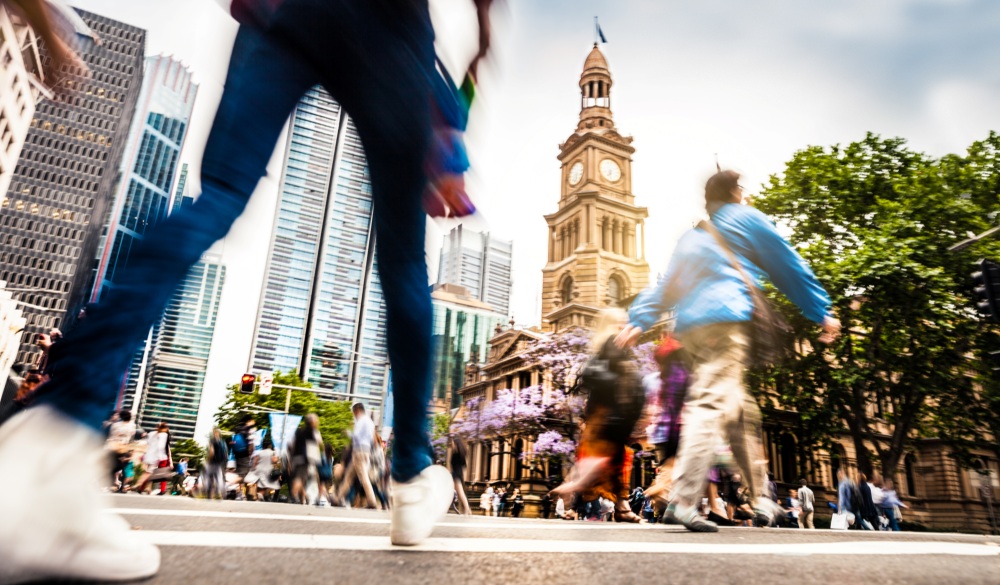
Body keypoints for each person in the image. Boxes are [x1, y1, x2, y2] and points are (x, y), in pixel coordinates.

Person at [0, 0, 496, 578]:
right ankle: (411, 473)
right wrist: (483, 42)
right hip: (390, 28)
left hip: (283, 12)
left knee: (216, 199)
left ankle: (56, 430)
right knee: (405, 264)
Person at [616, 169, 841, 532]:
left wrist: (640, 318)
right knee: (710, 404)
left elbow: (670, 286)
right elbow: (788, 265)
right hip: (726, 323)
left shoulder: (692, 237)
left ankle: (763, 500)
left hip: (691, 333)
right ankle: (684, 499)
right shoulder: (747, 219)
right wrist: (821, 311)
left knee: (738, 412)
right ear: (736, 192)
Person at [551, 310, 646, 524]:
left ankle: (620, 506)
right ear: (608, 325)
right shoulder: (612, 344)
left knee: (615, 461)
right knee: (607, 460)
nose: (624, 327)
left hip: (610, 414)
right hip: (607, 414)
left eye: (625, 323)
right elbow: (613, 380)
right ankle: (578, 490)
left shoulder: (610, 347)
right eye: (618, 323)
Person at [641, 337, 689, 513]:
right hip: (678, 428)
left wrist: (645, 433)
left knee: (666, 467)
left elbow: (648, 409)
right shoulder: (681, 378)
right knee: (677, 468)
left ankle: (662, 505)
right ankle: (658, 491)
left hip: (657, 432)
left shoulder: (650, 380)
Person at [335, 403, 381, 509]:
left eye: (354, 413)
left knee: (363, 477)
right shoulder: (370, 422)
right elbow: (371, 439)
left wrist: (347, 432)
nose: (354, 415)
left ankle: (372, 502)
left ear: (357, 410)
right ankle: (337, 499)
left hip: (359, 451)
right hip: (366, 451)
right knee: (349, 476)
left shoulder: (361, 420)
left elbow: (356, 435)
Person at [289, 414, 323, 505]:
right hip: (305, 458)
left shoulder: (298, 431)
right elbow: (320, 444)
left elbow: (291, 445)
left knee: (301, 478)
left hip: (296, 457)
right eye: (316, 421)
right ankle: (294, 495)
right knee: (300, 478)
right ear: (313, 422)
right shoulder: (314, 431)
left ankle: (304, 498)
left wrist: (290, 459)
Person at [136, 422, 172, 495]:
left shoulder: (153, 434)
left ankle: (141, 488)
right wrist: (170, 460)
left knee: (150, 473)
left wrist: (144, 454)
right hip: (161, 457)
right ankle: (161, 490)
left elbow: (148, 444)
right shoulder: (164, 435)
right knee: (162, 474)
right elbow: (166, 448)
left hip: (155, 457)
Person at [105, 410, 136, 492]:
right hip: (124, 448)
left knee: (112, 467)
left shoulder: (115, 425)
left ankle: (111, 485)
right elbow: (131, 438)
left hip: (114, 447)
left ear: (121, 417)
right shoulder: (132, 426)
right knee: (124, 468)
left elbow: (111, 436)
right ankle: (122, 487)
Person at [231, 415, 256, 500]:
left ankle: (239, 494)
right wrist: (250, 452)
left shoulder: (238, 428)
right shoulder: (249, 429)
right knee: (243, 474)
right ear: (248, 421)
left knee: (240, 473)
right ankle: (227, 485)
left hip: (237, 454)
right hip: (244, 454)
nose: (253, 422)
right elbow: (251, 442)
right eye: (252, 420)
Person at [449, 436, 472, 515]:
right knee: (459, 493)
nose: (451, 444)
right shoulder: (461, 454)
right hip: (458, 474)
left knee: (460, 493)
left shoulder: (455, 454)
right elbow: (464, 466)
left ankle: (467, 509)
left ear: (456, 443)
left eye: (452, 443)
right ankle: (466, 509)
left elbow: (452, 466)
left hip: (455, 475)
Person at [205, 427, 229, 500]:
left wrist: (208, 461)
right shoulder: (223, 442)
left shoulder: (212, 441)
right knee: (220, 478)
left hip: (214, 462)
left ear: (215, 433)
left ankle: (210, 496)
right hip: (222, 462)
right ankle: (222, 494)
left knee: (211, 478)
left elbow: (211, 452)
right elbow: (226, 454)